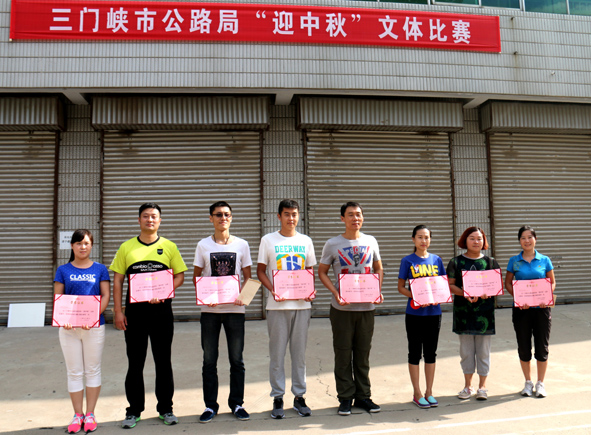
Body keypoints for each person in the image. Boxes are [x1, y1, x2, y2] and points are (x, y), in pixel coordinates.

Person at [110, 203, 187, 429]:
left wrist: (163, 291)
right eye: (145, 216)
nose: (150, 220)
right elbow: (117, 280)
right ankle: (133, 411)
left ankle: (166, 408)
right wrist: (118, 311)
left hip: (161, 313)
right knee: (135, 363)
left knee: (163, 362)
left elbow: (180, 276)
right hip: (135, 314)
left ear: (160, 221)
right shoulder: (126, 247)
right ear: (139, 220)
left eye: (154, 216)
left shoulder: (169, 246)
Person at [318, 202, 384, 416]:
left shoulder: (371, 240)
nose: (355, 218)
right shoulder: (332, 244)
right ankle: (345, 397)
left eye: (358, 214)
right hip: (342, 309)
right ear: (342, 218)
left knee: (363, 354)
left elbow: (378, 268)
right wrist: (335, 292)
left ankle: (363, 396)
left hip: (366, 307)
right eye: (350, 215)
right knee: (343, 353)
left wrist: (377, 290)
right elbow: (322, 271)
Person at [257, 199, 316, 419]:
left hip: (302, 306)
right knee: (277, 354)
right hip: (277, 306)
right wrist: (273, 290)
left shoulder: (306, 241)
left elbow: (309, 270)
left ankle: (299, 397)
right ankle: (278, 397)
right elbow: (260, 271)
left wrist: (310, 290)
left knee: (299, 355)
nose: (291, 218)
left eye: (294, 214)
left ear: (298, 216)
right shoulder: (268, 240)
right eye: (287, 214)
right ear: (279, 216)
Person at [193, 201, 252, 423]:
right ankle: (210, 406)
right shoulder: (203, 245)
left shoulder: (242, 245)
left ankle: (237, 403)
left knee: (237, 360)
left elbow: (248, 277)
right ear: (211, 218)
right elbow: (196, 277)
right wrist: (205, 297)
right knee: (209, 360)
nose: (223, 218)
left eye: (227, 214)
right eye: (218, 214)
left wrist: (243, 298)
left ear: (231, 217)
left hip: (235, 311)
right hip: (210, 311)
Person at [54, 229, 110, 434]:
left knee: (92, 370)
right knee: (74, 372)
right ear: (72, 246)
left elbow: (105, 296)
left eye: (86, 243)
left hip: (94, 327)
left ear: (91, 245)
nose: (82, 247)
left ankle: (91, 414)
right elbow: (59, 299)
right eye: (78, 243)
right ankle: (78, 415)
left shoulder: (100, 269)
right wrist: (65, 319)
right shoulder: (63, 270)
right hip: (69, 329)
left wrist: (92, 316)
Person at [447, 227, 501, 401]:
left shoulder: (491, 262)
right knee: (466, 352)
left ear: (484, 241)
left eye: (479, 238)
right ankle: (467, 386)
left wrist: (488, 292)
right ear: (465, 240)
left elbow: (496, 286)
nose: (476, 241)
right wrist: (465, 292)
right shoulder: (456, 262)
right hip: (463, 314)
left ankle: (482, 387)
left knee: (484, 352)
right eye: (472, 238)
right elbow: (450, 285)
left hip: (485, 314)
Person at [397, 225, 446, 409]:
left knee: (431, 353)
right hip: (414, 313)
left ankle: (429, 392)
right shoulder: (407, 261)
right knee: (415, 353)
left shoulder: (436, 260)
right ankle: (417, 393)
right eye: (420, 237)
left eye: (426, 237)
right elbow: (401, 287)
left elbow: (442, 285)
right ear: (413, 239)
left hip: (434, 313)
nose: (423, 240)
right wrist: (416, 296)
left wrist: (438, 296)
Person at [505, 225, 556, 398]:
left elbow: (552, 282)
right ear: (519, 241)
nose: (526, 241)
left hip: (541, 310)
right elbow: (508, 283)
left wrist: (546, 296)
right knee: (524, 346)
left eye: (529, 237)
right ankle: (528, 382)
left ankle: (540, 383)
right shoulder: (514, 261)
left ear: (535, 239)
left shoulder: (545, 260)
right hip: (522, 310)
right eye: (523, 238)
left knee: (542, 347)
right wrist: (519, 298)